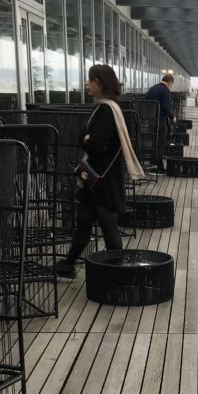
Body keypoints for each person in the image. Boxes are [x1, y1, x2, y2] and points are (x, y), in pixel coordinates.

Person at [54, 64, 144, 279]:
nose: (88, 84)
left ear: (100, 83)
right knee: (86, 220)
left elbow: (94, 144)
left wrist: (83, 138)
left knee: (106, 223)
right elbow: (91, 139)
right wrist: (85, 137)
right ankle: (69, 264)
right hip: (102, 177)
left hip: (101, 178)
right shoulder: (110, 108)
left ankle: (118, 270)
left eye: (91, 80)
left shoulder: (105, 110)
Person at [145, 73, 176, 173]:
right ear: (170, 82)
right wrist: (172, 117)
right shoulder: (166, 90)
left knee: (154, 142)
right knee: (160, 143)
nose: (171, 87)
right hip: (160, 120)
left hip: (150, 120)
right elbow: (166, 107)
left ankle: (152, 165)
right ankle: (158, 168)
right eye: (172, 84)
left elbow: (145, 102)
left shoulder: (152, 88)